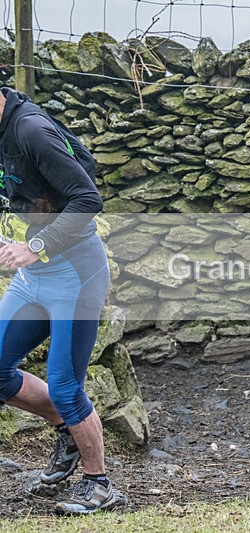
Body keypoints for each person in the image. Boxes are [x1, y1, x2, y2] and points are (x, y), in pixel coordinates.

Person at [0, 87, 125, 513]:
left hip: (75, 275)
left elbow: (88, 198)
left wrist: (35, 244)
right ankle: (67, 429)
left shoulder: (31, 129)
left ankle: (100, 484)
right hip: (32, 277)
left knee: (66, 386)